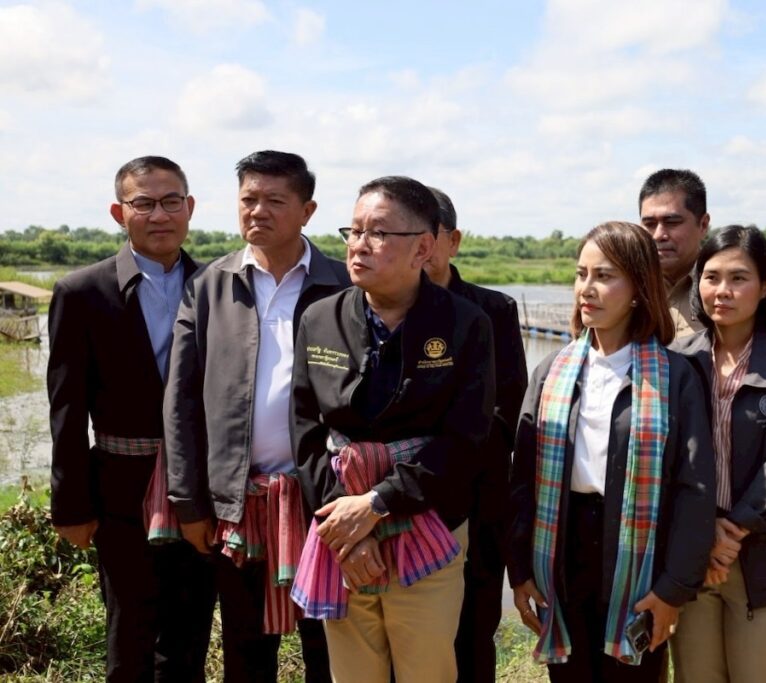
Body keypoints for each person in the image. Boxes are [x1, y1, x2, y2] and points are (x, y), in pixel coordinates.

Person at [289, 175, 496, 683]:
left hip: (428, 524)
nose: (359, 245)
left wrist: (378, 504)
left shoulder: (465, 325)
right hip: (341, 530)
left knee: (426, 670)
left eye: (378, 233)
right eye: (354, 230)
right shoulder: (319, 319)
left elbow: (466, 441)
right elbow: (307, 433)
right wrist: (346, 524)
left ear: (423, 248)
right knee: (352, 673)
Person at [163, 150, 348, 683]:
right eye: (248, 199)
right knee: (245, 651)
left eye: (275, 200)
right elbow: (181, 402)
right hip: (237, 502)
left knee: (329, 647)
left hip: (323, 502)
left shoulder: (344, 286)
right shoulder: (210, 285)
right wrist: (189, 501)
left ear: (307, 211)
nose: (258, 211)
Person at [507, 221, 716, 682]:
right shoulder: (552, 371)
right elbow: (522, 479)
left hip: (639, 556)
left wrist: (673, 588)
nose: (587, 288)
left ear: (639, 288)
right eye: (581, 274)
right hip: (561, 550)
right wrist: (520, 570)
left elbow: (694, 489)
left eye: (604, 276)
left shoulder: (675, 376)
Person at [47, 156, 215, 681]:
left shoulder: (218, 286)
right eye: (144, 203)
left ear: (189, 208)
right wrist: (71, 505)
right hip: (120, 486)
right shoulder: (82, 292)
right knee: (130, 632)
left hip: (202, 487)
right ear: (120, 213)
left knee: (190, 631)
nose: (159, 215)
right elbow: (66, 407)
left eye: (171, 202)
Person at [670, 225, 766, 682]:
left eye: (739, 278)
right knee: (696, 676)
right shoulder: (679, 359)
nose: (723, 291)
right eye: (711, 277)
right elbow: (668, 456)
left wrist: (732, 529)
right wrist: (703, 532)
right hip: (692, 557)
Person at [423, 186, 529, 683]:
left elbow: (509, 409)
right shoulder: (376, 309)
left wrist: (451, 455)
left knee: (473, 634)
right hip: (399, 500)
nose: (418, 249)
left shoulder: (493, 310)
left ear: (454, 241)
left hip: (478, 502)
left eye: (428, 237)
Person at [638, 168, 711, 338]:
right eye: (649, 224)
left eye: (672, 222)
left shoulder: (723, 289)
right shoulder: (629, 288)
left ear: (703, 225)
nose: (658, 235)